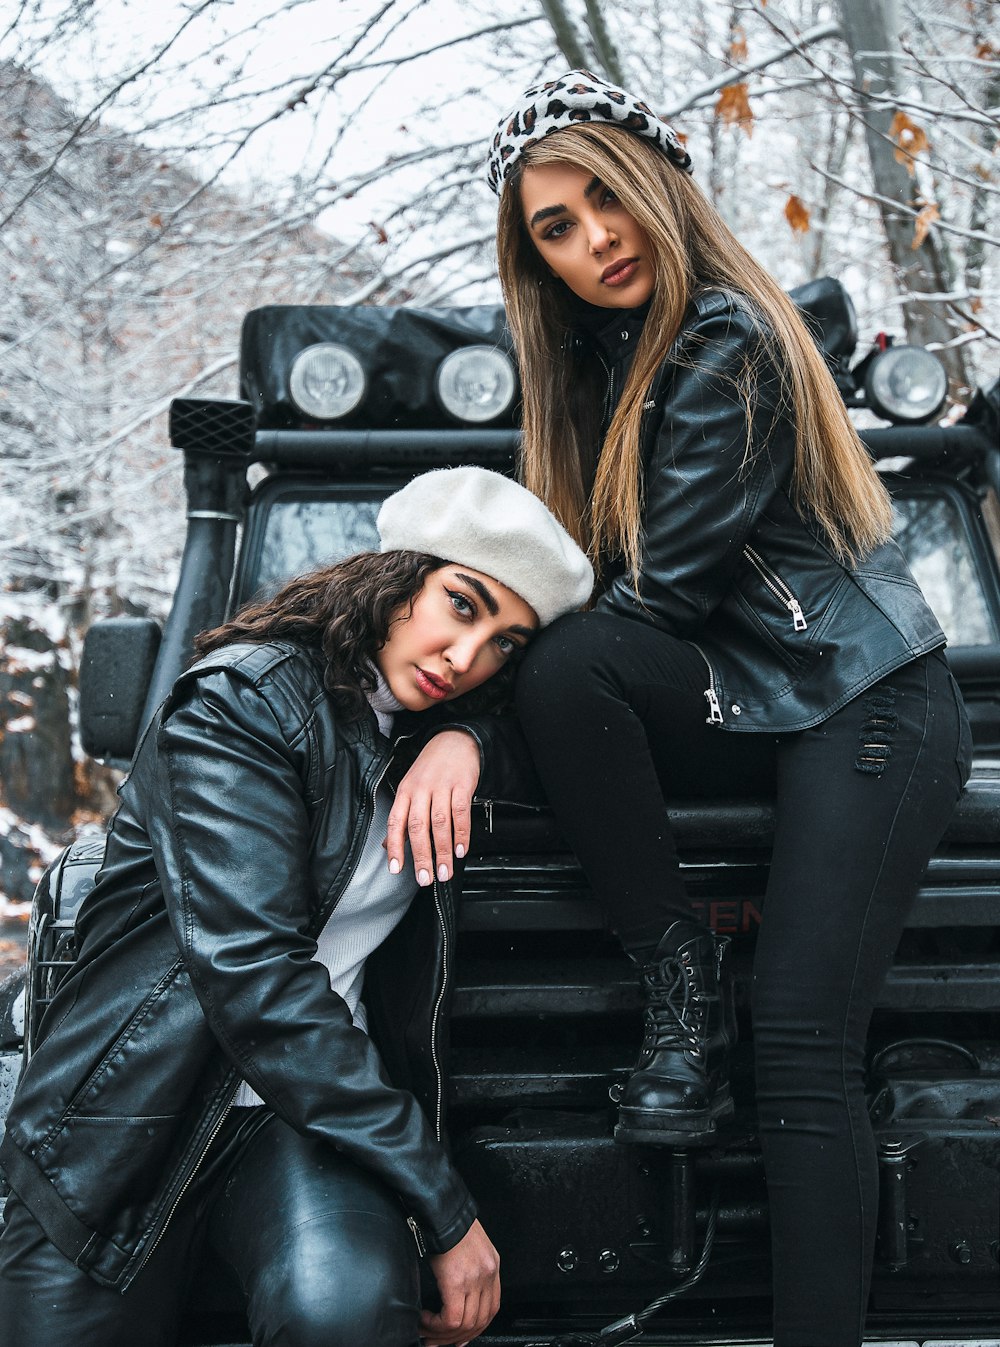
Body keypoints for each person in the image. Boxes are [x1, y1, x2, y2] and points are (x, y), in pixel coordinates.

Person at [487, 70, 973, 1347]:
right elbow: (558, 601)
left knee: (803, 1045)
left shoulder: (725, 341)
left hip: (861, 700)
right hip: (761, 695)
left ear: (655, 188)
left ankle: (681, 990)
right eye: (554, 227)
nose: (594, 238)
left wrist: (474, 722)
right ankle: (680, 983)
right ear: (532, 262)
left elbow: (656, 603)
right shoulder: (589, 377)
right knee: (555, 669)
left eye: (606, 198)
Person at [0, 465, 593, 1347]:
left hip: (301, 1124)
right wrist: (447, 1210)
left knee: (344, 1316)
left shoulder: (431, 728)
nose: (466, 658)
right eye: (462, 605)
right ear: (396, 575)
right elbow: (256, 976)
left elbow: (560, 730)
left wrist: (472, 740)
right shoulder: (243, 702)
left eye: (506, 643)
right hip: (123, 1124)